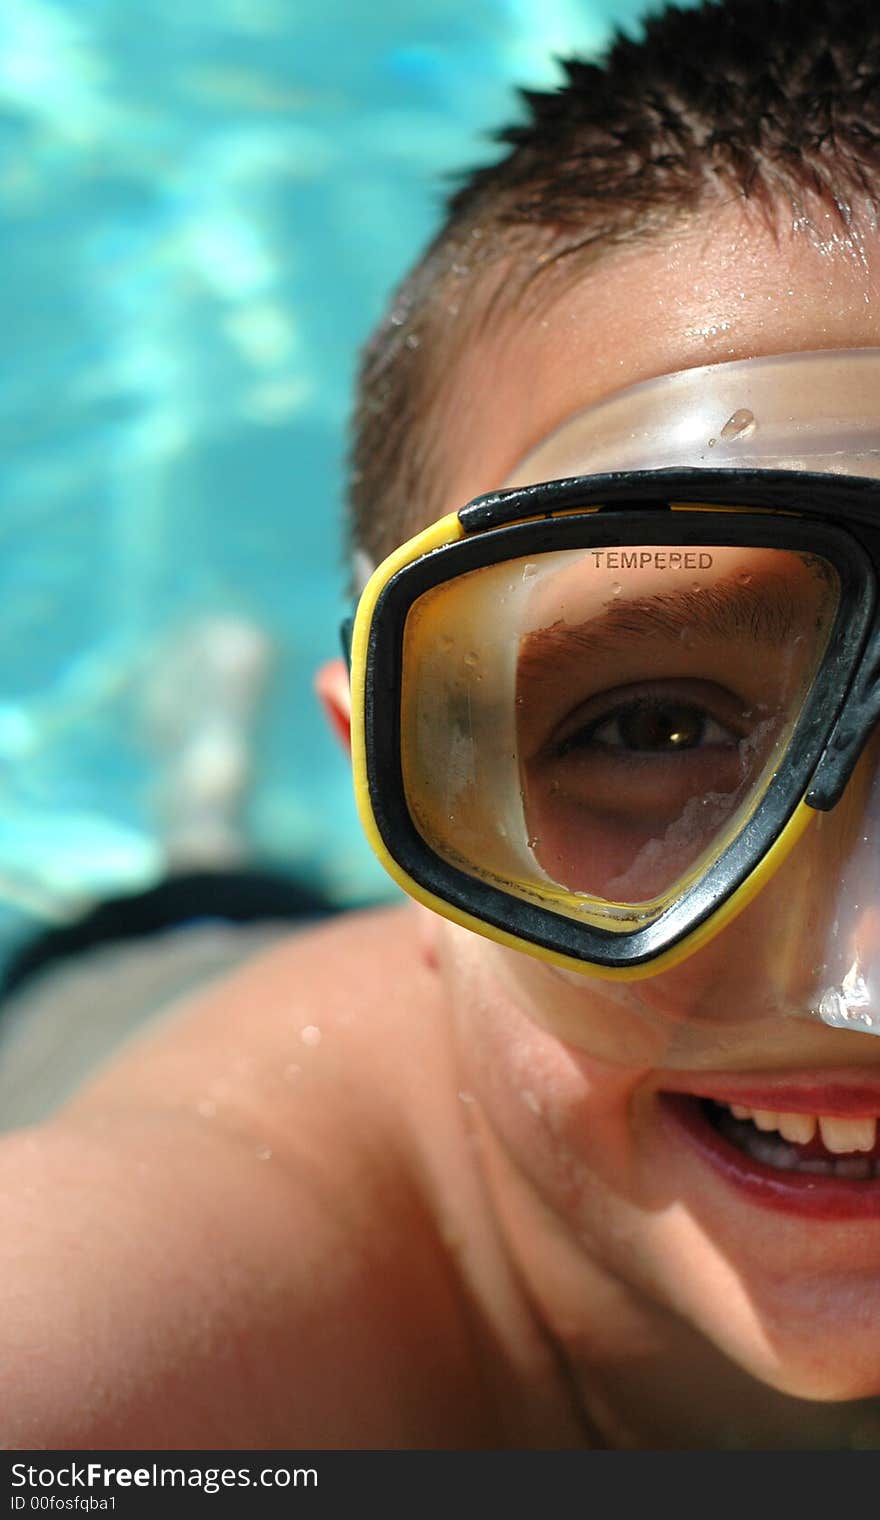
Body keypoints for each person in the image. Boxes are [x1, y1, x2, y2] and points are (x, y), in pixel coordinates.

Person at [5, 0, 880, 1451]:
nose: (866, 979)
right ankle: (198, 802)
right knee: (188, 891)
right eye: (656, 727)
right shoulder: (168, 1301)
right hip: (140, 992)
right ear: (383, 787)